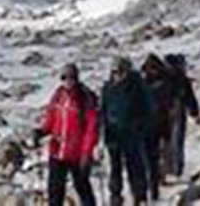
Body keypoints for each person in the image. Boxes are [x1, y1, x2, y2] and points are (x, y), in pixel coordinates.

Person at [34, 63, 99, 206]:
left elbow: (91, 129)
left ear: (76, 78)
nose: (68, 81)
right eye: (64, 78)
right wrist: (42, 131)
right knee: (55, 190)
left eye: (71, 77)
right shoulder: (58, 96)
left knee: (82, 187)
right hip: (57, 150)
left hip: (77, 153)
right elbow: (51, 118)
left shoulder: (85, 99)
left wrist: (86, 153)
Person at [100, 56, 152, 206]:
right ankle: (115, 196)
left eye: (120, 71)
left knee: (135, 166)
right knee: (114, 167)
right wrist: (104, 130)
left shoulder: (137, 87)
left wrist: (140, 127)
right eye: (114, 71)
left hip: (132, 134)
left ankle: (140, 197)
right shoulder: (108, 88)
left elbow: (148, 109)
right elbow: (103, 110)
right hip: (113, 134)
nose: (117, 75)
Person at [140, 53, 177, 201]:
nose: (152, 71)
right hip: (147, 125)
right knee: (150, 157)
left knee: (160, 152)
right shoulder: (142, 83)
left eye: (154, 68)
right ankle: (154, 181)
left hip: (162, 122)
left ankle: (159, 177)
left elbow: (171, 97)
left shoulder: (166, 80)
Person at [164, 53, 200, 177]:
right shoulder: (180, 79)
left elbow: (189, 97)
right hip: (174, 113)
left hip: (165, 114)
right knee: (175, 141)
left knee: (168, 142)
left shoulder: (163, 78)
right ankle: (175, 169)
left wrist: (194, 113)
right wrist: (195, 113)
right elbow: (189, 98)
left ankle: (169, 169)